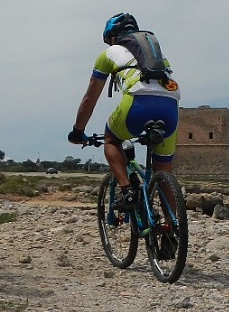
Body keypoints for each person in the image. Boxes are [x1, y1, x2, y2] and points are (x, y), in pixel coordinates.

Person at [68, 12, 180, 209]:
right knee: (164, 172)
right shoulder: (158, 56)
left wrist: (78, 130)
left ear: (112, 37)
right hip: (170, 106)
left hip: (137, 103)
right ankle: (171, 229)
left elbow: (89, 99)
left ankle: (127, 190)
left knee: (111, 139)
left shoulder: (109, 54)